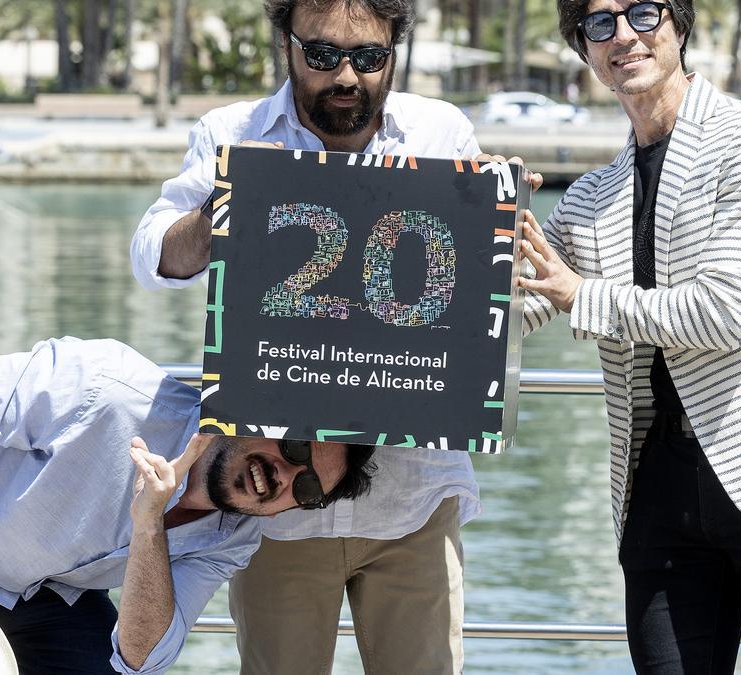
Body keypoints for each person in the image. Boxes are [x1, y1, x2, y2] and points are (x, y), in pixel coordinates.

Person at [128, 1, 497, 671]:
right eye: (323, 55)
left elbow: (485, 305)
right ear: (288, 44)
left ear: (395, 51)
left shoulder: (443, 131)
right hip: (277, 511)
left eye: (370, 57)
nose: (347, 75)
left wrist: (502, 225)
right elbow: (154, 256)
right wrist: (225, 203)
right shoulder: (230, 131)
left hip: (414, 500)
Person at [516, 0, 741, 672]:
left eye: (643, 13)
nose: (623, 35)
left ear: (679, 24)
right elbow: (517, 305)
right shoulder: (595, 195)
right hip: (659, 490)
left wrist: (580, 294)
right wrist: (484, 219)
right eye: (599, 24)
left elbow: (725, 312)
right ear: (585, 49)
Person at [0, 336, 376, 675]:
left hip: (40, 586)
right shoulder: (109, 387)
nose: (284, 473)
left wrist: (149, 526)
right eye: (295, 446)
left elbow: (142, 657)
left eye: (307, 489)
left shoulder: (233, 536)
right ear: (254, 415)